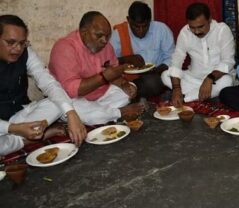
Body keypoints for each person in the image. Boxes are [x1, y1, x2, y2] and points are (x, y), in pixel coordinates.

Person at [0, 14, 86, 156]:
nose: (17, 49)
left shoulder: (26, 53)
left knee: (60, 103)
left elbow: (48, 83)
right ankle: (32, 137)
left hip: (23, 115)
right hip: (4, 125)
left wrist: (71, 114)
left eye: (22, 43)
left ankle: (29, 135)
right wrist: (13, 128)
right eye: (10, 42)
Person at [49, 11, 144, 125]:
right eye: (99, 35)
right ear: (84, 32)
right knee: (74, 109)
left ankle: (102, 114)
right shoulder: (64, 48)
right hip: (74, 99)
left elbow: (113, 75)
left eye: (107, 36)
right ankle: (118, 113)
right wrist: (103, 78)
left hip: (101, 97)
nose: (104, 41)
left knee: (130, 90)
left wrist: (124, 84)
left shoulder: (106, 47)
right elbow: (72, 91)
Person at [161, 2, 236, 107]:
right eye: (192, 27)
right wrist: (177, 89)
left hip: (216, 79)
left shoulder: (222, 30)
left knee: (227, 82)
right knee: (165, 75)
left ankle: (185, 98)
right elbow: (176, 61)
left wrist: (209, 79)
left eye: (200, 27)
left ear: (209, 19)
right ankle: (200, 96)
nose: (196, 31)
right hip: (193, 78)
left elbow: (228, 62)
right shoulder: (185, 32)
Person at [111, 1, 175, 98]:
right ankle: (134, 96)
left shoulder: (161, 30)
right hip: (127, 79)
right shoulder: (118, 34)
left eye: (145, 26)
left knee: (153, 83)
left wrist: (157, 70)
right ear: (128, 20)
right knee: (112, 87)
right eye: (136, 26)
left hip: (156, 75)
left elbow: (171, 57)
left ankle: (134, 97)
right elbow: (109, 62)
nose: (140, 30)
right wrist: (126, 59)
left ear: (150, 20)